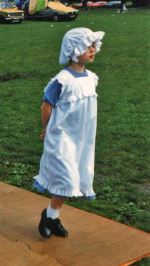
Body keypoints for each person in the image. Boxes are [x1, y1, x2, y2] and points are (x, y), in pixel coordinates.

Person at [34, 28, 105, 238]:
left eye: (93, 46)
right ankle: (48, 216)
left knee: (73, 178)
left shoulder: (91, 78)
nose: (92, 50)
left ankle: (52, 216)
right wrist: (48, 129)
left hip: (81, 138)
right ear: (74, 50)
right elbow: (46, 107)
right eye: (87, 46)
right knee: (65, 177)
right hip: (62, 137)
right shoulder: (63, 80)